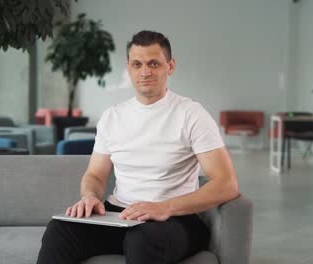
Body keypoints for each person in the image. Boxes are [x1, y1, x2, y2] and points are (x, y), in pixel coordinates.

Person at [36, 30, 239, 264]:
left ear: (170, 66)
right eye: (137, 64)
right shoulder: (112, 116)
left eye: (154, 63)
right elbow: (95, 174)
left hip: (174, 219)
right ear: (128, 67)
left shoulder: (191, 114)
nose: (145, 72)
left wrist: (165, 208)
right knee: (59, 230)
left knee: (142, 239)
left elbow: (227, 184)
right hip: (119, 214)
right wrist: (90, 196)